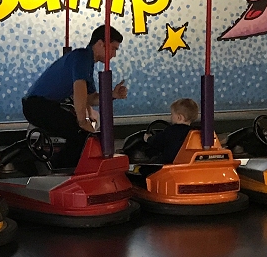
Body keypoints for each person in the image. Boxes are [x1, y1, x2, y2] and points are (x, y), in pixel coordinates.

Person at [23, 25, 127, 168]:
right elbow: (79, 91)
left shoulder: (86, 62)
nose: (114, 55)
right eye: (113, 48)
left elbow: (90, 98)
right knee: (81, 135)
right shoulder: (82, 57)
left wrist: (112, 95)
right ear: (100, 44)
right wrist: (82, 121)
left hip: (42, 105)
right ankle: (62, 169)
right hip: (38, 106)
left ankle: (61, 166)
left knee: (80, 134)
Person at [142, 97, 199, 164]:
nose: (171, 117)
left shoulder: (171, 131)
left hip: (170, 164)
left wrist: (148, 138)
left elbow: (157, 141)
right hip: (188, 164)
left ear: (179, 117)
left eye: (172, 114)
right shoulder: (194, 133)